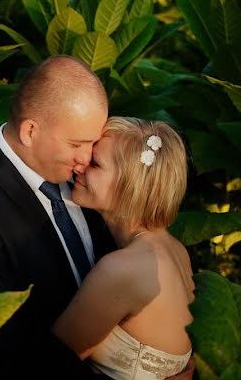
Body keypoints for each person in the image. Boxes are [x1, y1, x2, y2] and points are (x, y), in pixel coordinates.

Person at [0, 55, 117, 378]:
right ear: (30, 131)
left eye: (93, 142)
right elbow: (12, 354)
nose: (87, 157)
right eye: (76, 143)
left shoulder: (86, 179)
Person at [52, 116, 194, 379]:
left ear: (131, 185)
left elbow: (52, 363)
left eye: (95, 163)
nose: (81, 165)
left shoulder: (123, 269)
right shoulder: (176, 250)